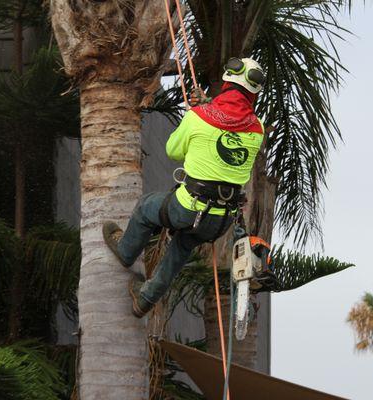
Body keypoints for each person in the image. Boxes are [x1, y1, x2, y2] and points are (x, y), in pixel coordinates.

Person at [103, 57, 266, 317]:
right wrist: (206, 110)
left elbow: (173, 150)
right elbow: (227, 129)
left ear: (226, 83)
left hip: (188, 209)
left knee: (147, 207)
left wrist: (198, 113)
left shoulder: (198, 117)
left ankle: (126, 251)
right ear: (253, 94)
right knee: (182, 246)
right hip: (220, 220)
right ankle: (145, 299)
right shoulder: (257, 130)